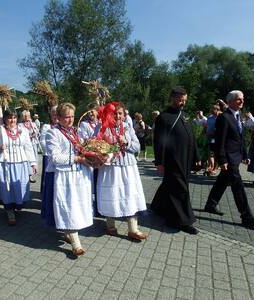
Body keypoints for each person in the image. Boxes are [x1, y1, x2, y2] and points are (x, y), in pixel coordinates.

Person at [204, 91, 254, 229]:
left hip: (236, 156)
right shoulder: (224, 117)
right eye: (238, 99)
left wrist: (244, 155)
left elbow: (240, 137)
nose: (242, 101)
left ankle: (210, 204)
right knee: (238, 187)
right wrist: (222, 159)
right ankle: (247, 217)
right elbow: (220, 140)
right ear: (230, 101)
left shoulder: (237, 116)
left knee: (222, 181)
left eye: (242, 99)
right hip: (229, 158)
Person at [45, 103, 94, 256]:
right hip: (64, 175)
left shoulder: (76, 132)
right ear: (58, 118)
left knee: (77, 206)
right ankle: (75, 243)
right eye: (66, 117)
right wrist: (77, 158)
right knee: (69, 207)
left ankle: (69, 233)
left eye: (72, 116)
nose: (70, 119)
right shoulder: (53, 133)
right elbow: (55, 158)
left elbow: (87, 146)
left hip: (79, 174)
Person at [151, 87, 201, 234]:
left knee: (170, 186)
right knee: (180, 189)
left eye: (185, 100)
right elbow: (158, 142)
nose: (182, 103)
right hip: (172, 159)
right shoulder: (164, 117)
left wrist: (197, 156)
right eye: (180, 100)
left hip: (185, 158)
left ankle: (158, 207)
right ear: (172, 98)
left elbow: (191, 137)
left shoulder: (184, 116)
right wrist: (159, 162)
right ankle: (181, 221)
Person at [96, 102, 148, 240]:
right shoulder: (103, 128)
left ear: (124, 115)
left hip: (127, 166)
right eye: (115, 113)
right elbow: (95, 145)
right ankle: (110, 225)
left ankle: (133, 229)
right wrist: (106, 149)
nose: (118, 116)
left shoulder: (127, 127)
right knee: (111, 193)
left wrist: (126, 142)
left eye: (120, 113)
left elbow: (137, 146)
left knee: (130, 194)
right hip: (110, 167)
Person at [0, 110, 37, 225]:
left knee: (19, 186)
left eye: (14, 118)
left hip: (21, 163)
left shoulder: (23, 131)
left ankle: (16, 206)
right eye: (10, 118)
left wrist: (33, 163)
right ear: (5, 119)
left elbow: (28, 147)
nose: (12, 120)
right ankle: (9, 210)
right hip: (4, 164)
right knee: (7, 187)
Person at [40, 106, 58, 226]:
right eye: (53, 114)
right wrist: (50, 150)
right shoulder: (47, 127)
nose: (55, 116)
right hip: (50, 156)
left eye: (57, 113)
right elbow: (42, 141)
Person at [205, 105, 221, 176]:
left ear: (217, 110)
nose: (211, 110)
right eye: (211, 108)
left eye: (213, 109)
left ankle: (213, 168)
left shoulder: (219, 118)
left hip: (215, 137)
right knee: (210, 152)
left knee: (214, 153)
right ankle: (210, 167)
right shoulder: (209, 117)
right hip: (209, 137)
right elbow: (207, 126)